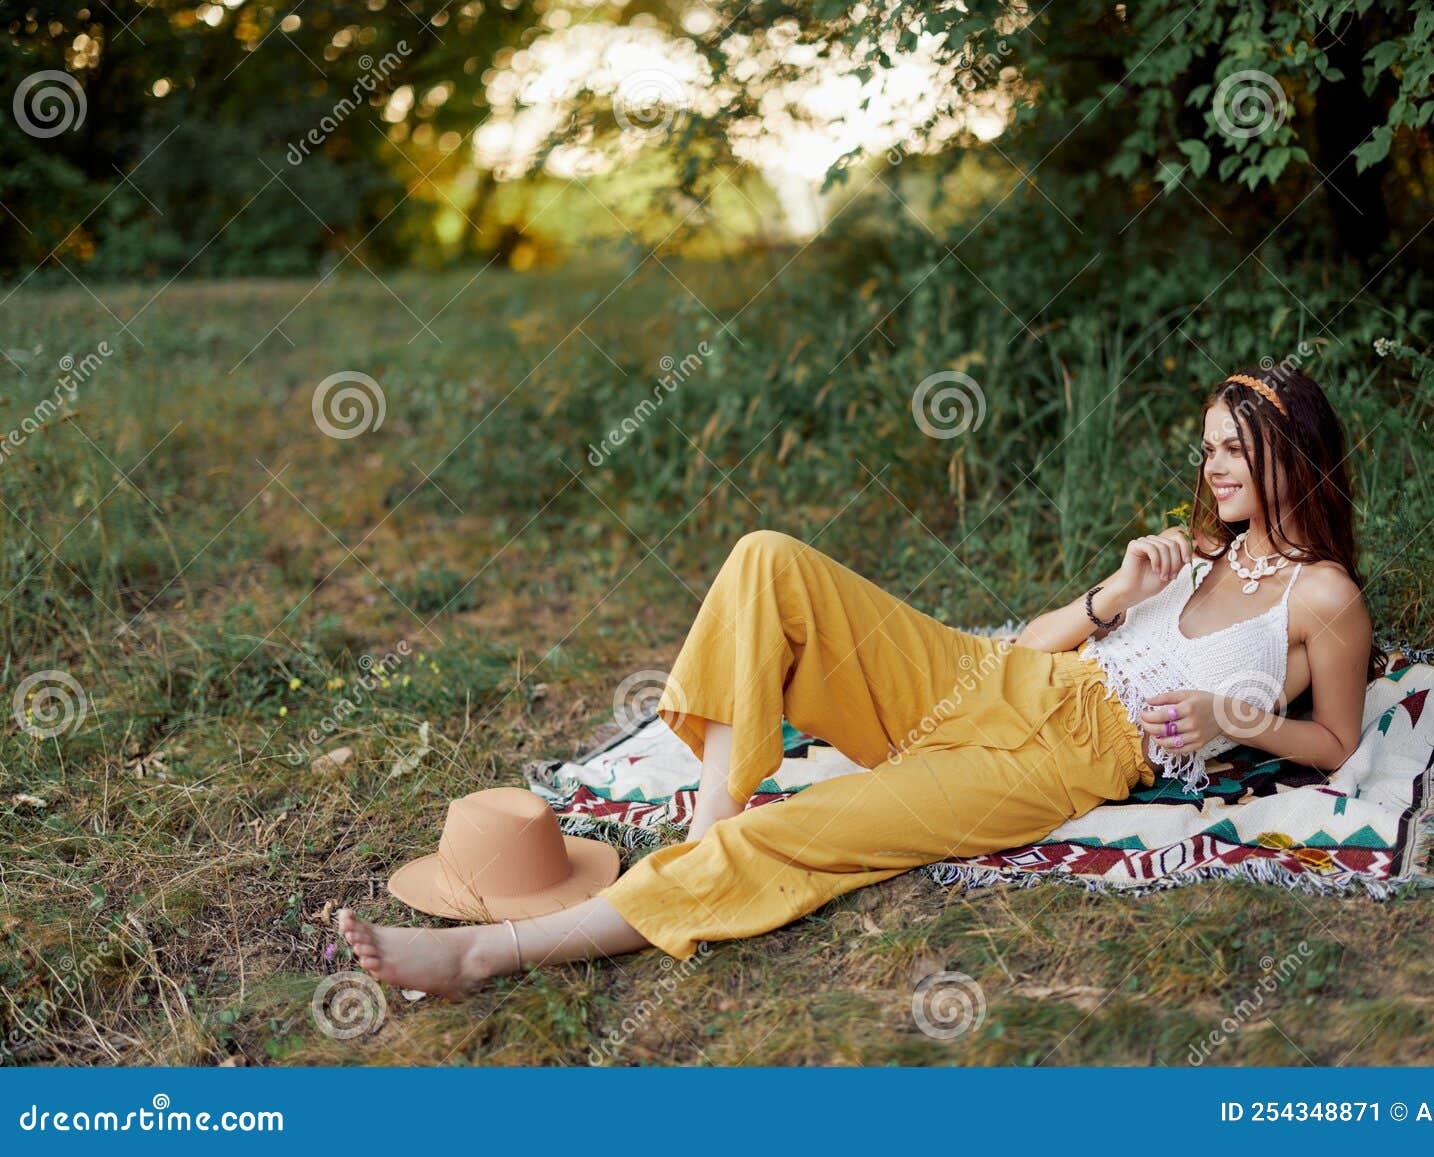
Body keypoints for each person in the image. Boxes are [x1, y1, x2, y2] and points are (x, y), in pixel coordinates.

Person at [338, 365, 1372, 997]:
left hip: (1069, 757)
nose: (1216, 468)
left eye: (1236, 449)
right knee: (766, 556)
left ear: (1294, 449)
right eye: (1208, 448)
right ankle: (712, 808)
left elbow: (1333, 742)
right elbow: (1042, 644)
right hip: (996, 677)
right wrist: (1109, 594)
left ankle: (486, 956)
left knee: (787, 836)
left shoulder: (1323, 599)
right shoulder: (1195, 549)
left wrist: (1227, 714)